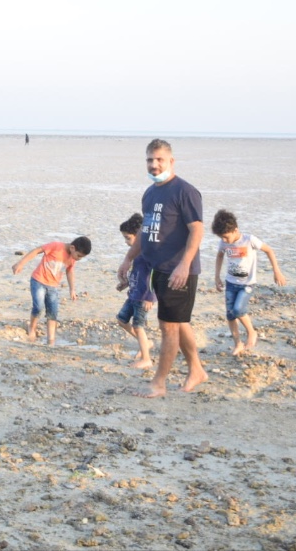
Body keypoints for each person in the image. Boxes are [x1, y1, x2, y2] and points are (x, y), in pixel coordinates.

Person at [117, 139, 207, 397]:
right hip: (157, 269)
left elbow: (197, 230)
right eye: (150, 159)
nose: (154, 164)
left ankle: (159, 383)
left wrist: (184, 265)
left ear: (171, 161)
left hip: (178, 271)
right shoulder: (149, 193)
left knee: (168, 327)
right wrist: (128, 259)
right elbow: (145, 233)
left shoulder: (185, 191)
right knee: (179, 322)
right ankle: (197, 371)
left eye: (159, 159)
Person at [211, 209, 287, 356]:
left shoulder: (249, 240)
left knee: (238, 310)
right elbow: (219, 256)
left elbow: (269, 250)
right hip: (230, 283)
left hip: (247, 284)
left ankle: (251, 332)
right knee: (230, 315)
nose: (224, 240)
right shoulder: (223, 243)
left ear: (235, 230)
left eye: (226, 237)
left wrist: (276, 271)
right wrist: (217, 277)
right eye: (221, 237)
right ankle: (238, 344)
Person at [12, 236, 91, 346]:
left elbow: (69, 272)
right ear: (72, 248)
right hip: (38, 281)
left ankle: (51, 338)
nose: (78, 259)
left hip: (53, 286)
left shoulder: (72, 258)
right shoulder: (56, 246)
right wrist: (20, 263)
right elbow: (37, 250)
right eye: (79, 256)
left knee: (53, 312)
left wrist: (72, 289)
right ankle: (32, 328)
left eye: (81, 257)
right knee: (38, 307)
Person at [115, 213, 157, 369]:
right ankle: (146, 343)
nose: (126, 242)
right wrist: (125, 284)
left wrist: (150, 297)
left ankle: (146, 358)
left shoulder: (148, 253)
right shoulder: (135, 254)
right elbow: (137, 274)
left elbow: (155, 274)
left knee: (138, 326)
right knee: (121, 320)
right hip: (133, 294)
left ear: (139, 235)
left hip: (143, 297)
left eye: (128, 238)